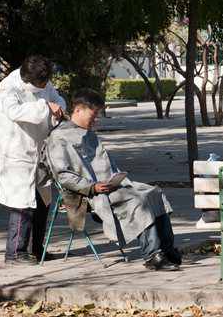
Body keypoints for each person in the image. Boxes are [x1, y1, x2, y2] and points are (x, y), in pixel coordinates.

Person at [44, 89, 182, 270]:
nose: (96, 120)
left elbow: (104, 164)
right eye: (93, 116)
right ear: (78, 110)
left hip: (110, 186)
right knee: (138, 200)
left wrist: (116, 178)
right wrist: (92, 187)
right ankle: (152, 255)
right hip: (86, 193)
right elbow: (62, 175)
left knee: (154, 192)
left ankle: (167, 248)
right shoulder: (58, 136)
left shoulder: (88, 133)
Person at [0, 55, 66, 264]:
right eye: (40, 85)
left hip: (40, 150)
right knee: (22, 205)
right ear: (28, 79)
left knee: (43, 203)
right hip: (18, 153)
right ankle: (15, 253)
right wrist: (46, 106)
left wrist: (57, 107)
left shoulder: (44, 81)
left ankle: (37, 249)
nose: (44, 87)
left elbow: (57, 99)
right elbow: (15, 112)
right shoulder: (8, 88)